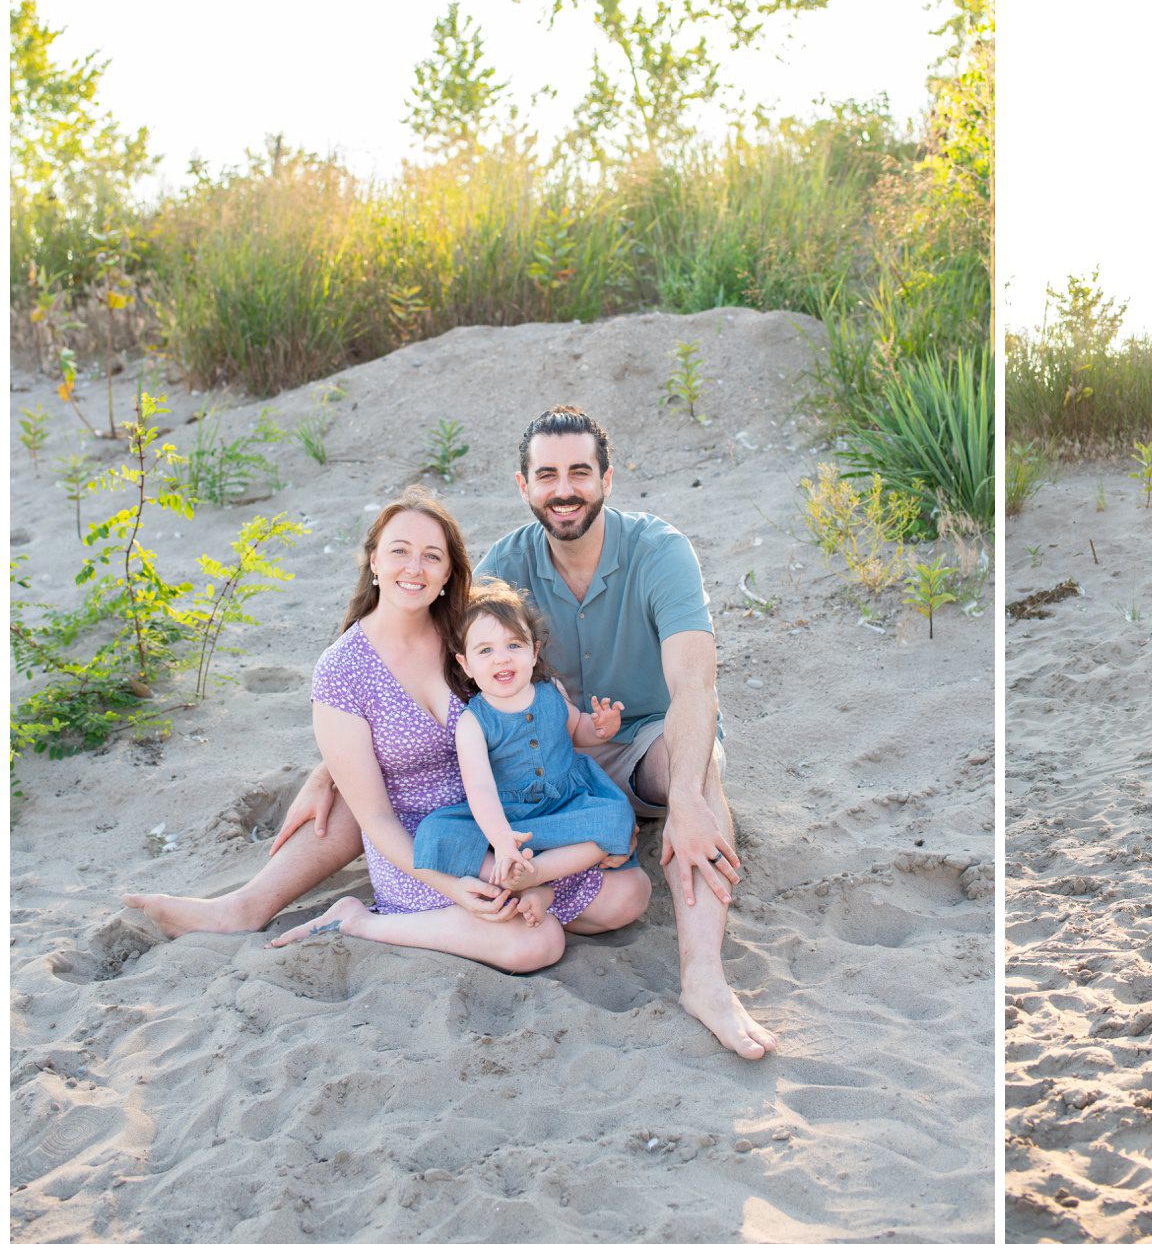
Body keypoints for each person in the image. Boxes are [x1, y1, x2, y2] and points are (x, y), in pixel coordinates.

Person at [125, 409, 773, 1059]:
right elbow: (397, 677)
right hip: (525, 768)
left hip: (627, 749)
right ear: (523, 487)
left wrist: (685, 795)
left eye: (580, 471)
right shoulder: (503, 568)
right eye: (546, 475)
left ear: (608, 477)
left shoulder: (658, 552)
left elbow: (695, 686)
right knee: (373, 783)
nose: (564, 488)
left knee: (699, 769)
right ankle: (247, 906)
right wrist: (326, 768)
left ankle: (705, 978)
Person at [126, 489, 650, 968]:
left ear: (450, 573)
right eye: (399, 551)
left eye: (432, 556)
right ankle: (364, 920)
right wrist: (450, 884)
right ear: (374, 560)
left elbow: (537, 712)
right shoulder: (343, 668)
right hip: (422, 844)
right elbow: (373, 817)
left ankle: (533, 896)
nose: (414, 568)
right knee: (535, 945)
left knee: (630, 894)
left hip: (507, 815)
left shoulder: (471, 637)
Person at [410, 578, 639, 927]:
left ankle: (536, 878)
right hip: (511, 817)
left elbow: (576, 729)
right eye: (485, 650)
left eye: (513, 645)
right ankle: (531, 881)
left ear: (533, 651)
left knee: (617, 817)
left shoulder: (551, 690)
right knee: (436, 833)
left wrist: (601, 727)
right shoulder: (473, 722)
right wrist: (502, 840)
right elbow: (480, 789)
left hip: (568, 803)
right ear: (466, 665)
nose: (501, 658)